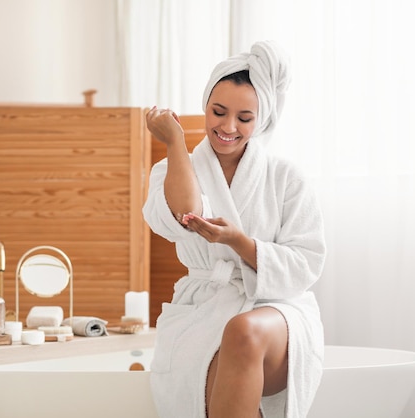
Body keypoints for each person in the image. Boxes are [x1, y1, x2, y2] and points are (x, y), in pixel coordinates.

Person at [142, 41, 326, 418]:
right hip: (203, 308)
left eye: (244, 118)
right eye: (218, 112)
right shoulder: (172, 169)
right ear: (205, 107)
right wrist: (175, 140)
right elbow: (187, 213)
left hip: (275, 310)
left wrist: (240, 242)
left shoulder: (285, 177)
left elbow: (306, 264)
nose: (227, 127)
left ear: (261, 121)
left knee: (242, 331)